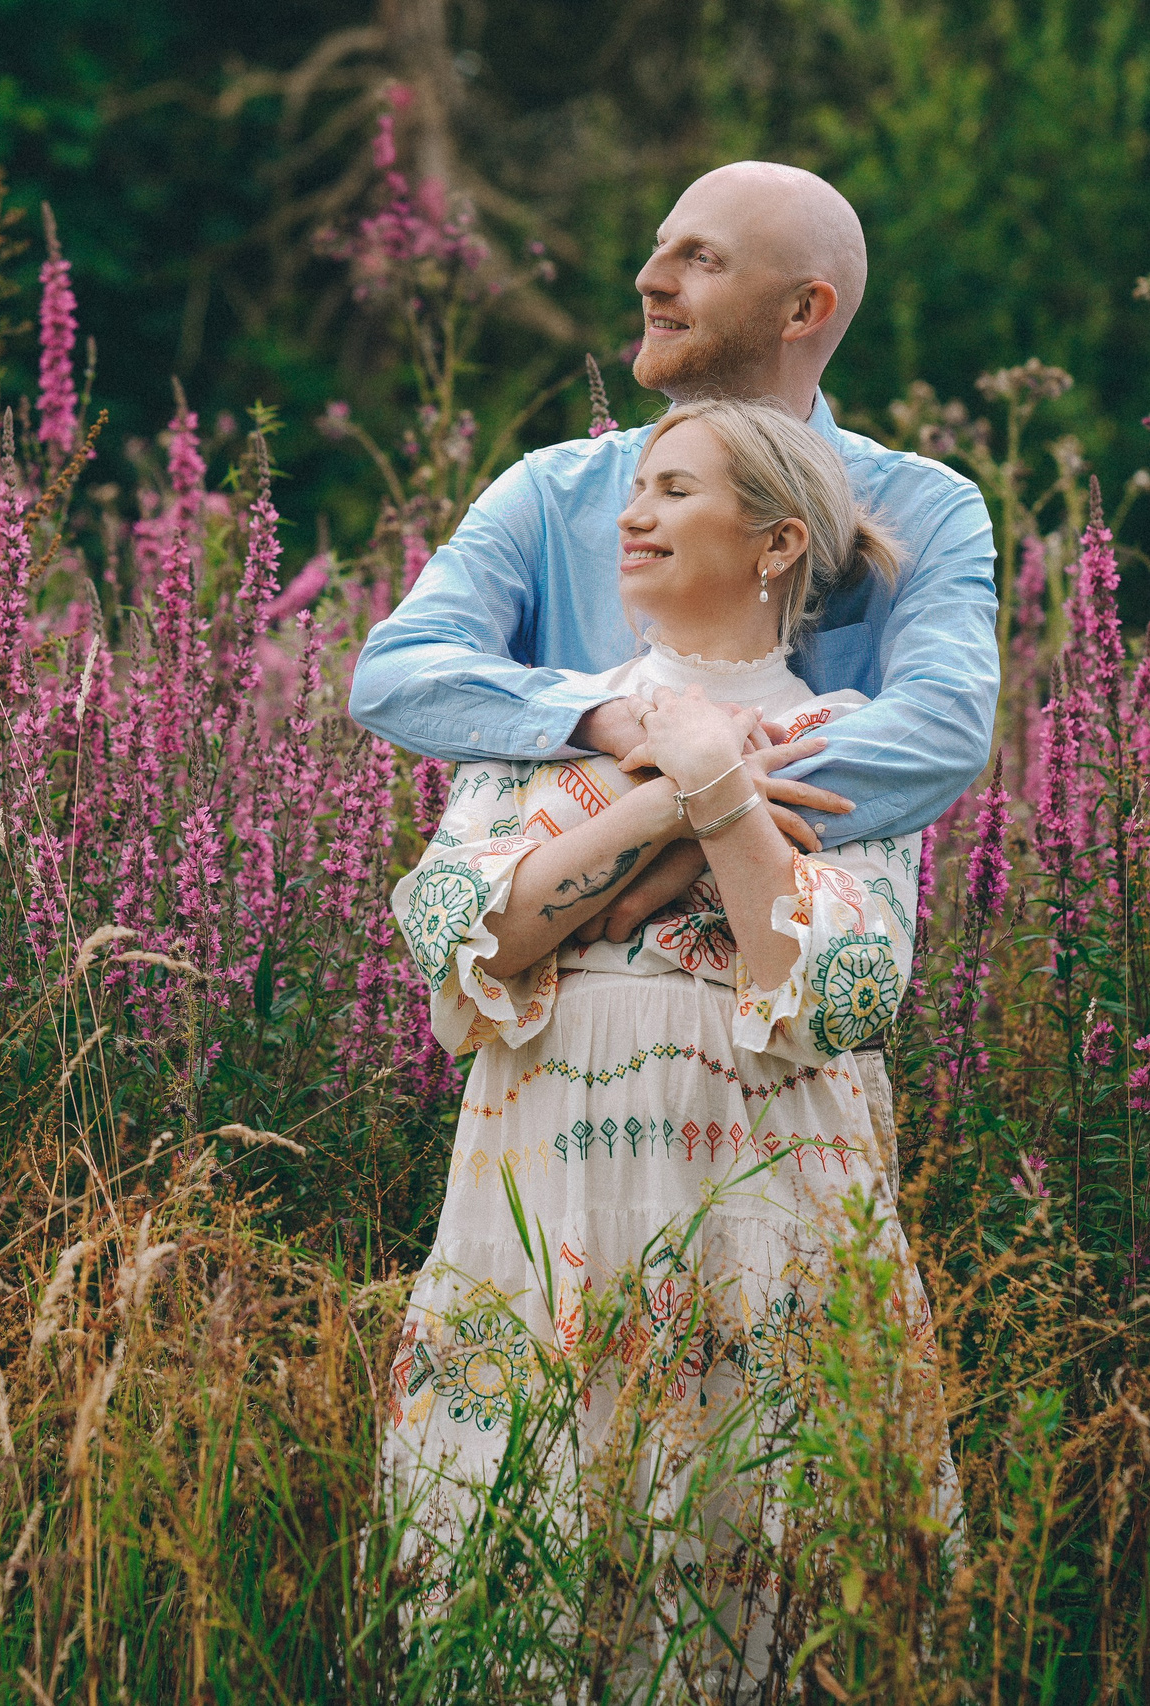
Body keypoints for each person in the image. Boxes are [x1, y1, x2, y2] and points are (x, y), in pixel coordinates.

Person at [384, 398, 954, 1688]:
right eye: (634, 489)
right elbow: (457, 926)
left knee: (761, 1543)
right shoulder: (554, 720)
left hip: (764, 1195)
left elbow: (842, 996)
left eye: (676, 491)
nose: (632, 516)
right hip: (546, 1192)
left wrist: (724, 795)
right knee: (525, 1547)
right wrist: (672, 787)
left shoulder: (857, 741)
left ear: (775, 543)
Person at [350, 159, 998, 1187]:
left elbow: (941, 731)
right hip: (554, 1081)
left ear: (804, 307)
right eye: (658, 246)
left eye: (698, 257)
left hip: (786, 1071)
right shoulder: (552, 491)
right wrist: (612, 724)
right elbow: (397, 672)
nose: (650, 278)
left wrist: (707, 802)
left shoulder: (925, 508)